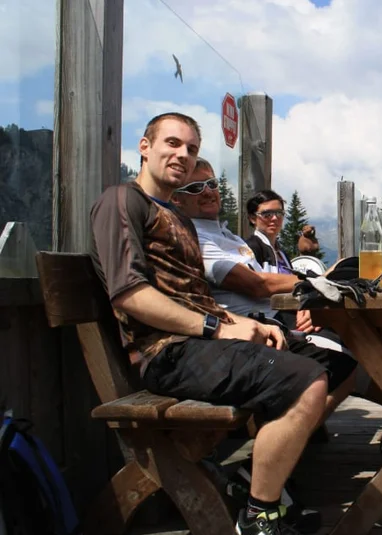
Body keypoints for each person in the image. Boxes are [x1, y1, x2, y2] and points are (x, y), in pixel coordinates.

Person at [89, 112, 330, 535]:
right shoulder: (121, 201)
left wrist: (244, 322)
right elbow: (130, 293)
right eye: (172, 143)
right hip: (164, 353)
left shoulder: (177, 218)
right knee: (307, 380)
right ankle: (260, 515)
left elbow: (196, 298)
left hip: (193, 344)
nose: (182, 154)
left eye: (192, 148)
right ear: (145, 147)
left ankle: (252, 489)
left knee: (309, 358)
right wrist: (219, 329)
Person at [172, 158, 358, 422]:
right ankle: (291, 440)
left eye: (211, 183)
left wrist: (310, 296)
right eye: (195, 188)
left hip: (272, 325)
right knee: (341, 362)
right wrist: (319, 281)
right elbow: (257, 285)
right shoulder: (196, 238)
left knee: (352, 353)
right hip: (247, 335)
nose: (207, 191)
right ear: (177, 199)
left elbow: (272, 284)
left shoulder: (230, 238)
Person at [245, 190, 294, 274]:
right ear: (252, 218)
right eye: (267, 214)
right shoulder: (250, 249)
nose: (275, 218)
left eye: (279, 213)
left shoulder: (282, 253)